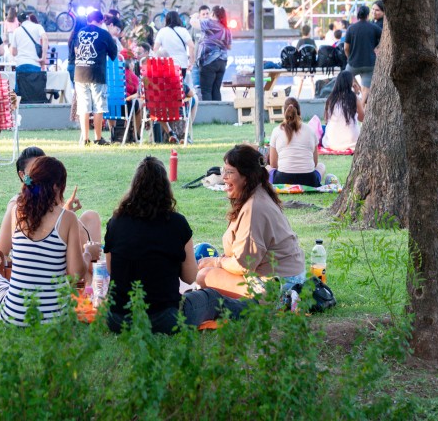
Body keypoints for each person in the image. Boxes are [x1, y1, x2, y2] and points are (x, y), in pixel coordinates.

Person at [105, 157, 247, 334]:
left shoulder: (116, 222)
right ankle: (255, 307)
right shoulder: (176, 223)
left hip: (117, 319)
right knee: (211, 298)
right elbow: (190, 277)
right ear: (165, 188)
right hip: (164, 318)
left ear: (134, 187)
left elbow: (111, 269)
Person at [0, 156, 101, 325]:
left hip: (15, 314)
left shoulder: (17, 211)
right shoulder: (68, 218)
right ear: (56, 187)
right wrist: (88, 253)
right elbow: (75, 274)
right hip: (55, 317)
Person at [196, 145, 306, 298]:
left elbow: (243, 265)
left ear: (246, 177)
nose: (224, 177)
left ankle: (277, 301)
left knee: (204, 276)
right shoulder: (259, 194)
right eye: (223, 171)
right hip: (289, 277)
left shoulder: (253, 208)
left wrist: (217, 262)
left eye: (229, 172)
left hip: (280, 283)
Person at [72, 9, 118, 146]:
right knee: (99, 106)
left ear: (88, 20)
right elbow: (113, 54)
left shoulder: (80, 32)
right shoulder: (104, 34)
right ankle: (98, 138)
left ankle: (85, 139)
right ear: (101, 20)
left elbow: (75, 51)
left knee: (83, 107)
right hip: (97, 73)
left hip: (80, 74)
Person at [267, 97, 325, 187]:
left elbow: (273, 164)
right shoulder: (310, 130)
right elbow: (315, 163)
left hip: (282, 180)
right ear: (300, 113)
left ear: (284, 113)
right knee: (321, 166)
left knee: (267, 168)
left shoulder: (276, 131)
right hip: (309, 180)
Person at [344, 4, 382, 107]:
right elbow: (384, 38)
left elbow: (346, 48)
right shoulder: (374, 27)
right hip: (369, 64)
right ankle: (361, 109)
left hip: (353, 63)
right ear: (368, 15)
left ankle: (355, 87)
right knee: (366, 89)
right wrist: (377, 47)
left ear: (358, 15)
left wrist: (349, 58)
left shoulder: (351, 28)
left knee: (346, 77)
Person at [197, 5, 232, 101]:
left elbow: (193, 23)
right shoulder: (226, 29)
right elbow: (229, 47)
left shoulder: (209, 23)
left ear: (212, 13)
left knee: (206, 91)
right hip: (222, 62)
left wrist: (195, 16)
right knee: (216, 90)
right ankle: (218, 111)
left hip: (209, 61)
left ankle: (209, 111)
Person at [323, 70, 364, 151]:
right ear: (350, 83)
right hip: (353, 142)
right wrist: (357, 93)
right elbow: (362, 118)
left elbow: (326, 120)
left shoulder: (330, 98)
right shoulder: (354, 98)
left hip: (332, 143)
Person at [153, 11, 195, 80]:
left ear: (166, 20)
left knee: (167, 84)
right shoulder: (183, 31)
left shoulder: (162, 31)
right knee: (180, 84)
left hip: (166, 64)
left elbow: (155, 48)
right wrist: (191, 61)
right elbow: (192, 46)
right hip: (181, 64)